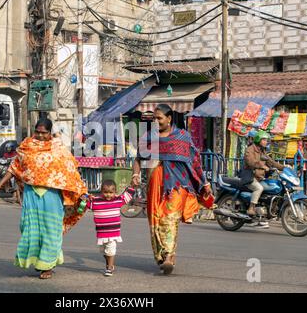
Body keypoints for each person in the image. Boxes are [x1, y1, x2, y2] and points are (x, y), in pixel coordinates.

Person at [0, 118, 87, 279]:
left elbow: (70, 170)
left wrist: (80, 190)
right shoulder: (26, 146)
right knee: (30, 228)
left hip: (52, 195)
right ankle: (37, 260)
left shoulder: (58, 148)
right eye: (38, 132)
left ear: (50, 133)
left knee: (51, 230)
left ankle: (47, 265)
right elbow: (15, 167)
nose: (40, 135)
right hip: (31, 194)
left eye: (44, 132)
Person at [131, 104, 212, 275]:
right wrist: (136, 175)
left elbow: (195, 161)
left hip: (177, 185)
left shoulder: (182, 137)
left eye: (159, 118)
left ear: (169, 119)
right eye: (154, 118)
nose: (156, 121)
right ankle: (163, 256)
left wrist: (204, 182)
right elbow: (138, 159)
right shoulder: (149, 138)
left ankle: (169, 256)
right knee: (155, 219)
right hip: (155, 185)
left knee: (169, 218)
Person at [82, 180, 135, 277]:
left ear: (115, 192)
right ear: (101, 191)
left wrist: (132, 185)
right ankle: (109, 263)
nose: (108, 195)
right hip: (101, 233)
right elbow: (83, 204)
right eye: (105, 192)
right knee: (104, 251)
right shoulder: (95, 201)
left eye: (111, 192)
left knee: (110, 250)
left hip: (113, 232)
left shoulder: (118, 200)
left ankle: (109, 267)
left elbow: (128, 196)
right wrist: (85, 197)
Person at [243, 130, 286, 221]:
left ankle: (268, 210)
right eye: (264, 140)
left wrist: (284, 168)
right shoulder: (250, 150)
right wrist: (262, 165)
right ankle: (251, 208)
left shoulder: (263, 152)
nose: (266, 142)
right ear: (259, 140)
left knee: (274, 186)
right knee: (259, 188)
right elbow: (250, 162)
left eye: (266, 140)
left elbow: (271, 162)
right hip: (250, 177)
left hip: (259, 178)